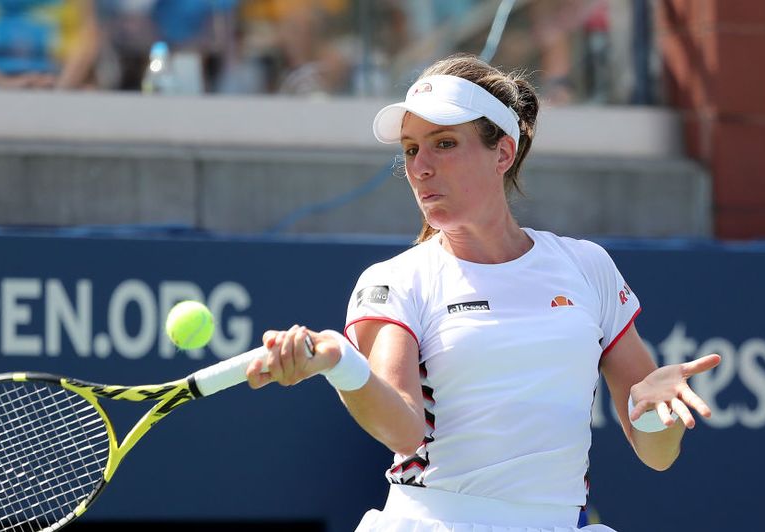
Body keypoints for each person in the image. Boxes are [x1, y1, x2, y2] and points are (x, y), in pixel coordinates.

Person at [245, 53, 721, 531]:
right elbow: (404, 430)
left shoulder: (587, 266)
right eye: (411, 149)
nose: (421, 167)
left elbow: (656, 455)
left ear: (503, 153)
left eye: (444, 143)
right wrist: (340, 365)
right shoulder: (396, 280)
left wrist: (658, 412)